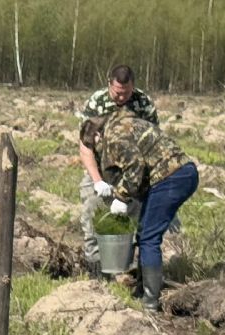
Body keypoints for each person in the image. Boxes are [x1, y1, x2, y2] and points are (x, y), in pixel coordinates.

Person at [83, 110, 199, 311]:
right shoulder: (123, 124)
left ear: (97, 135)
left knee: (148, 237)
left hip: (171, 176)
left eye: (95, 147)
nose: (97, 152)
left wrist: (121, 197)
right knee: (145, 230)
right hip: (180, 172)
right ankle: (142, 289)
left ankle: (150, 301)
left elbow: (135, 164)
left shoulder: (114, 136)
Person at [78, 64, 159, 278]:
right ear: (109, 84)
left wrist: (132, 187)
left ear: (133, 86)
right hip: (100, 168)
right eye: (117, 93)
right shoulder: (97, 102)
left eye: (126, 93)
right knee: (91, 213)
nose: (121, 97)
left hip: (132, 172)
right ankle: (95, 271)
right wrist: (97, 181)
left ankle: (130, 270)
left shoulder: (144, 104)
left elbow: (152, 143)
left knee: (136, 219)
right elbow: (85, 146)